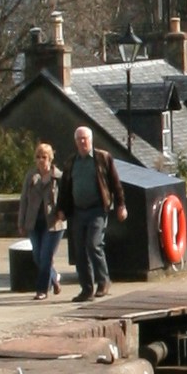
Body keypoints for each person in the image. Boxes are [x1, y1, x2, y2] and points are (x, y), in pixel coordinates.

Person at [62, 122, 112, 299]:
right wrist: (62, 209)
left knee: (93, 244)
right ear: (75, 142)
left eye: (85, 138)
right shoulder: (71, 162)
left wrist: (120, 205)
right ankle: (86, 289)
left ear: (91, 140)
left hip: (97, 209)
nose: (83, 142)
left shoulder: (102, 158)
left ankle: (103, 281)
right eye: (79, 139)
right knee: (80, 251)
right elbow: (65, 188)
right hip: (77, 211)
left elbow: (115, 183)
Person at [19, 139, 61, 297]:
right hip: (34, 222)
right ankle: (54, 276)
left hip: (53, 224)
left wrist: (62, 212)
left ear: (50, 158)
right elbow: (24, 200)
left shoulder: (58, 177)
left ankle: (42, 290)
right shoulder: (31, 176)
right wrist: (21, 222)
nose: (40, 160)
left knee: (45, 256)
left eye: (44, 157)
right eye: (38, 157)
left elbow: (64, 198)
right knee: (37, 256)